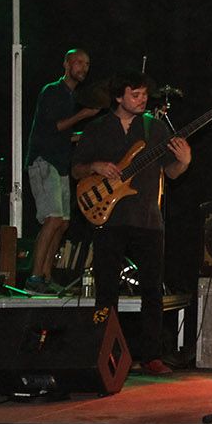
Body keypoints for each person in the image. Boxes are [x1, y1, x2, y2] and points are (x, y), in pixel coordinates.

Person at [70, 71, 191, 374]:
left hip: (147, 219)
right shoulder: (97, 128)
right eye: (135, 95)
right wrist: (95, 166)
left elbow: (172, 173)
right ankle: (104, 353)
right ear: (118, 97)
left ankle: (151, 355)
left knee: (152, 290)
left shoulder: (156, 128)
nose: (142, 100)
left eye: (144, 95)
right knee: (106, 291)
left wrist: (184, 161)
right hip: (109, 217)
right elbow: (76, 170)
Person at [25, 48, 99, 293]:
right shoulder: (53, 91)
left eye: (87, 64)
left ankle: (46, 276)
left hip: (60, 163)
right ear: (66, 64)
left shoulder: (71, 96)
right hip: (44, 161)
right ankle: (34, 276)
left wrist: (86, 136)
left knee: (63, 222)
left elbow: (64, 134)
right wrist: (84, 115)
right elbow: (54, 126)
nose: (83, 68)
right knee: (53, 218)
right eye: (79, 62)